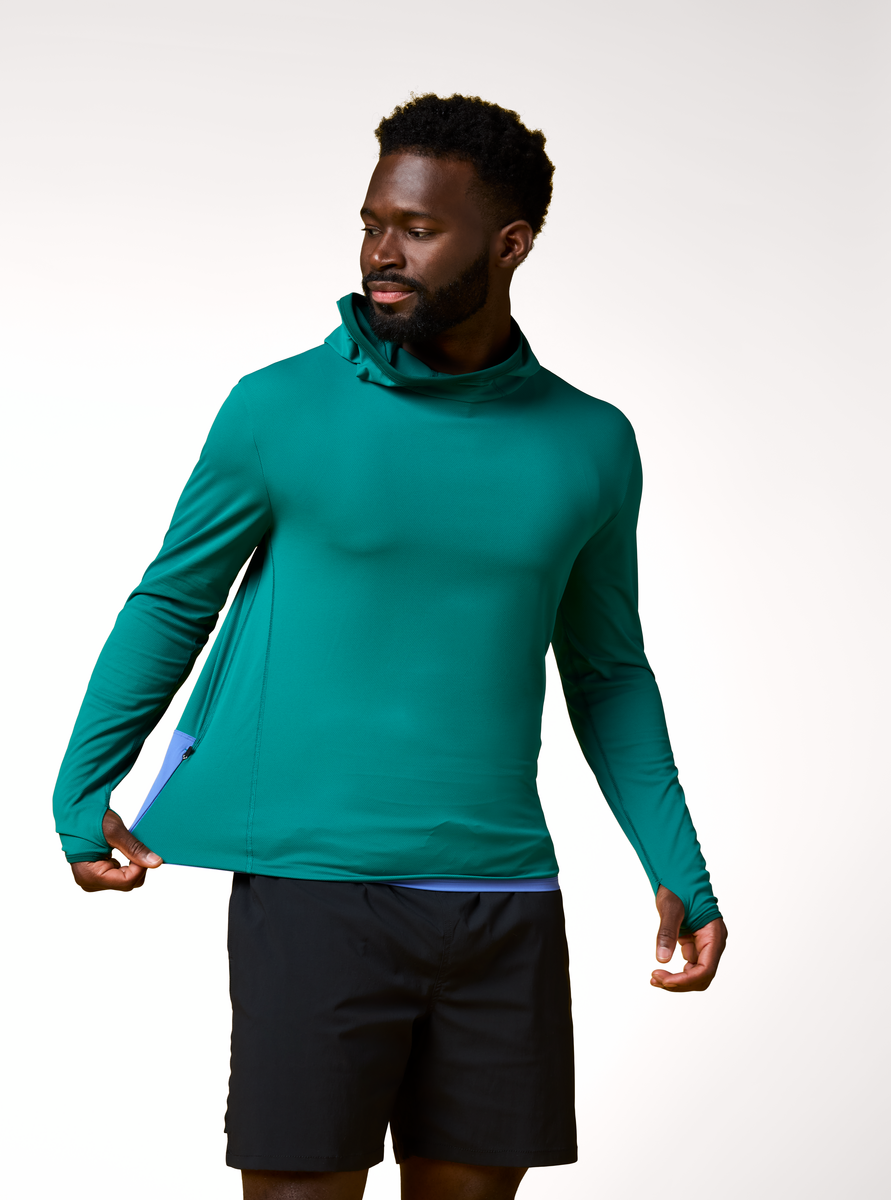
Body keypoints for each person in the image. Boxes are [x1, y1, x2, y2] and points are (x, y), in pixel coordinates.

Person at [54, 93, 728, 1200]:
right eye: (372, 223)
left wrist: (680, 873)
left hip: (504, 898)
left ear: (509, 244)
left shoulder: (592, 442)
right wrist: (82, 791)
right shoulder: (278, 408)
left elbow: (608, 672)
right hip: (314, 893)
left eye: (418, 229)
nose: (381, 251)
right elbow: (172, 603)